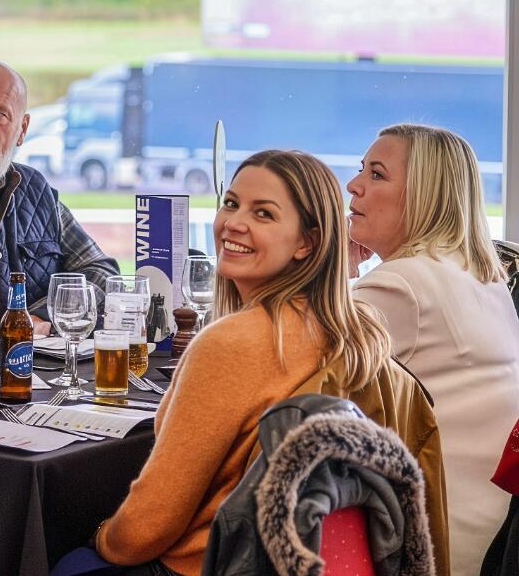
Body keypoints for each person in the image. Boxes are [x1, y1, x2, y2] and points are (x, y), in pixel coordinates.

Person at [94, 150, 449, 575]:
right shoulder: (360, 333)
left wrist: (99, 535)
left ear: (307, 243)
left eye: (263, 214)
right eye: (231, 203)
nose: (233, 223)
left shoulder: (230, 345)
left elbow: (145, 530)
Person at [348, 123, 519, 575]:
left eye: (377, 174)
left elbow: (278, 375)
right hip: (495, 536)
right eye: (361, 169)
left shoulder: (400, 285)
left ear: (423, 195)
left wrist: (333, 265)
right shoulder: (482, 277)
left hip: (432, 543)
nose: (354, 185)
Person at [0, 60, 119, 355]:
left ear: (22, 129)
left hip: (17, 386)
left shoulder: (34, 193)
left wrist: (42, 316)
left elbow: (101, 272)